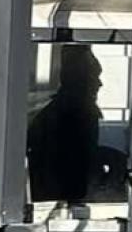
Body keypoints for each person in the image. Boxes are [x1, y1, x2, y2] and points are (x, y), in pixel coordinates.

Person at [26, 43, 121, 208]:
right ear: (78, 80)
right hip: (61, 202)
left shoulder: (57, 111)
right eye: (93, 77)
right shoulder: (76, 113)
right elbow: (74, 162)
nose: (99, 84)